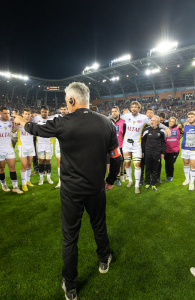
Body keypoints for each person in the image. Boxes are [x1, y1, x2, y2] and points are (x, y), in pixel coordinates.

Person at [13, 82, 122, 300]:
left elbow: (35, 129)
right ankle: (104, 259)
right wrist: (110, 179)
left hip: (71, 190)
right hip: (96, 188)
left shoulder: (63, 122)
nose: (66, 104)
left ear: (72, 100)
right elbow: (116, 157)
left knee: (70, 236)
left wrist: (21, 120)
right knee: (99, 225)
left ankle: (70, 286)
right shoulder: (107, 122)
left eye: (66, 100)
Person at [121, 101, 169, 194]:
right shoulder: (126, 116)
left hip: (136, 145)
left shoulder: (143, 118)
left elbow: (155, 122)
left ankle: (137, 185)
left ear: (139, 108)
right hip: (126, 144)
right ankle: (130, 181)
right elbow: (114, 116)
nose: (134, 108)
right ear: (130, 108)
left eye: (136, 107)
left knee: (138, 165)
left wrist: (166, 128)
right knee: (127, 164)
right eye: (132, 107)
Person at [0, 107, 23, 194]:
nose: (7, 115)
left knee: (12, 167)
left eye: (8, 113)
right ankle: (4, 185)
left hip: (9, 148)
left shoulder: (11, 121)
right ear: (0, 113)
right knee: (1, 168)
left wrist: (14, 121)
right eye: (5, 113)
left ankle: (15, 187)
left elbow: (16, 125)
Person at [180, 111, 195, 191]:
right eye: (189, 117)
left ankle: (192, 182)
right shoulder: (184, 126)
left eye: (192, 117)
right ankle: (187, 179)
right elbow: (180, 135)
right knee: (186, 163)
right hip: (185, 148)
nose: (190, 118)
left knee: (193, 165)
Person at [142, 115, 166, 191]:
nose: (151, 122)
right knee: (148, 168)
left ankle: (153, 184)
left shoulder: (161, 131)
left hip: (157, 153)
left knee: (156, 168)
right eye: (151, 120)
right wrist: (143, 151)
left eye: (153, 121)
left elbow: (163, 143)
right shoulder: (146, 129)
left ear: (158, 122)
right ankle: (148, 183)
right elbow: (143, 141)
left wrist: (163, 153)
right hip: (148, 152)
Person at [32, 106, 54, 186]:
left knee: (48, 161)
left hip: (49, 143)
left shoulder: (51, 119)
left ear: (48, 112)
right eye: (42, 112)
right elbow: (29, 119)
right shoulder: (36, 118)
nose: (44, 113)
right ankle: (41, 179)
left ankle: (48, 178)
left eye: (45, 112)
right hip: (40, 144)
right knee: (41, 161)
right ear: (40, 112)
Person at [17, 108, 35, 191]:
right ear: (22, 115)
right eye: (26, 114)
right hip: (22, 146)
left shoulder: (32, 124)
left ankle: (28, 181)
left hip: (31, 146)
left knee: (29, 164)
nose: (27, 115)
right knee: (24, 165)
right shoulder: (18, 123)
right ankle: (23, 184)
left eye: (29, 114)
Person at [54, 103, 69, 189]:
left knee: (69, 162)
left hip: (68, 144)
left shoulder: (71, 117)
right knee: (59, 162)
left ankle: (69, 181)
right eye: (62, 109)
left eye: (65, 109)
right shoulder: (56, 117)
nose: (63, 111)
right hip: (58, 144)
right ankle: (60, 181)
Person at [110, 106, 125, 186]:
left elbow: (125, 134)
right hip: (110, 146)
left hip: (120, 146)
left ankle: (119, 177)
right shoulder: (108, 122)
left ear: (118, 112)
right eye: (112, 111)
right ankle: (110, 177)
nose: (114, 113)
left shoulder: (123, 122)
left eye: (115, 111)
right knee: (109, 163)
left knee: (119, 162)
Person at [164, 117, 181, 181]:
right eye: (170, 121)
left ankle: (170, 176)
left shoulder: (178, 128)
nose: (171, 122)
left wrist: (180, 125)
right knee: (166, 163)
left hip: (175, 150)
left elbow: (183, 127)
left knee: (170, 163)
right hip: (166, 149)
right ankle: (167, 175)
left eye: (173, 121)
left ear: (175, 123)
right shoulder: (165, 129)